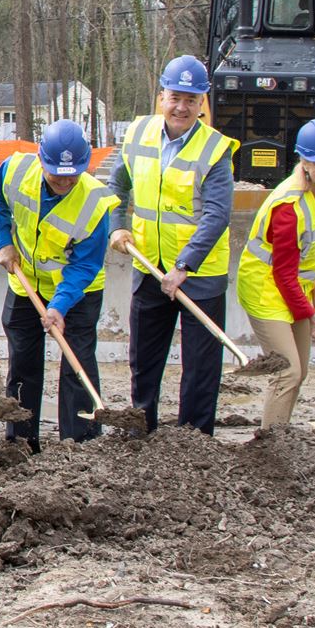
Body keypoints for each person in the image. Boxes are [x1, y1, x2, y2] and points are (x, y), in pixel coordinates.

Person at [102, 55, 238, 436]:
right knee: (144, 357)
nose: (182, 107)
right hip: (149, 266)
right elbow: (117, 186)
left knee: (201, 364)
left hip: (199, 275)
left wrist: (185, 266)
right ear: (161, 96)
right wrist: (117, 225)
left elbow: (216, 215)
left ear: (202, 104)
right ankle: (139, 428)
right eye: (175, 97)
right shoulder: (139, 134)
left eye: (191, 100)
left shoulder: (214, 150)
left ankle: (194, 438)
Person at [0, 120, 117, 449]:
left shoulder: (95, 203)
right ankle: (21, 440)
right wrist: (3, 241)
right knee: (23, 361)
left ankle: (80, 443)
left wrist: (59, 305)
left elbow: (85, 264)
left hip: (78, 291)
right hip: (25, 282)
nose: (65, 180)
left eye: (73, 173)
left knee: (77, 361)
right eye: (57, 171)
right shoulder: (15, 170)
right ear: (42, 159)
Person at [235, 119, 315, 429]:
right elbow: (283, 273)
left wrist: (310, 289)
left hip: (297, 287)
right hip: (266, 289)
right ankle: (270, 444)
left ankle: (281, 434)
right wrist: (312, 316)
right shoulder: (287, 208)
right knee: (287, 370)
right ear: (303, 162)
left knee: (299, 371)